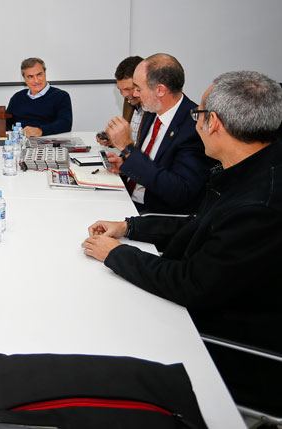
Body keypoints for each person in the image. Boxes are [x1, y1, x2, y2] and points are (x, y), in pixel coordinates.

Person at [82, 70, 282, 412]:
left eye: (199, 115)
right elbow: (201, 225)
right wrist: (129, 227)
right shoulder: (252, 169)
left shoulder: (257, 207)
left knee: (94, 328)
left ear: (213, 123)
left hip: (223, 344)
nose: (196, 122)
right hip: (217, 303)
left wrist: (117, 255)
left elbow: (191, 284)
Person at [103, 53, 213, 214]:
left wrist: (128, 149)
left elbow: (180, 192)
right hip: (129, 199)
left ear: (160, 90)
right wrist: (126, 164)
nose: (135, 95)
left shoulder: (193, 126)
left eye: (139, 88)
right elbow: (150, 163)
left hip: (154, 214)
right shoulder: (153, 111)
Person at [6, 58, 72, 137]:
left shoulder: (61, 96)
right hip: (20, 143)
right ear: (25, 79)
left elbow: (65, 124)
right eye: (30, 76)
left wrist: (41, 130)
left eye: (39, 74)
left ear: (45, 73)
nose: (36, 80)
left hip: (48, 142)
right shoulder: (17, 97)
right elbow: (5, 122)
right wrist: (11, 135)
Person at [97, 56, 145, 148]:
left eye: (128, 89)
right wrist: (113, 141)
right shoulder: (129, 100)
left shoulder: (154, 109)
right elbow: (131, 140)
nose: (124, 95)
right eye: (120, 90)